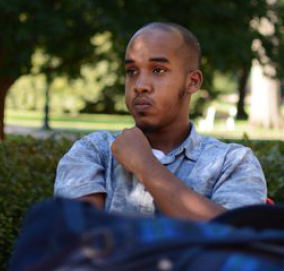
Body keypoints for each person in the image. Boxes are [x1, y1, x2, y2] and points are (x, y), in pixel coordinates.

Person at [54, 22, 267, 221]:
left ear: (192, 82)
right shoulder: (93, 151)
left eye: (158, 70)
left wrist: (146, 166)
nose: (140, 85)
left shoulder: (232, 162)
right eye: (131, 71)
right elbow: (78, 241)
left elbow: (235, 237)